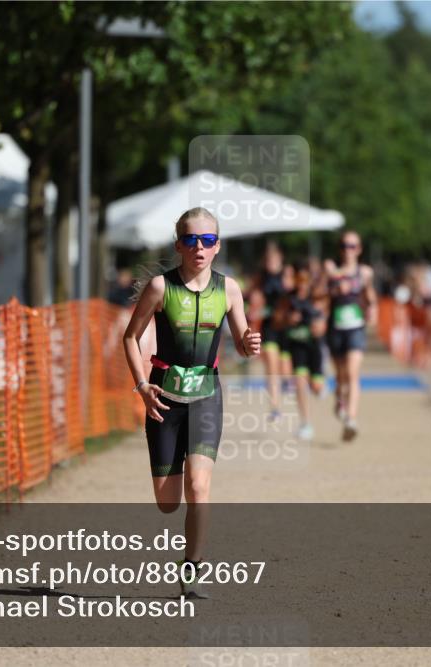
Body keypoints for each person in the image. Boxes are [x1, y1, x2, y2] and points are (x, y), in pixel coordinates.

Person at [122, 207, 261, 599]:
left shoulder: (229, 289)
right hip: (163, 399)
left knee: (199, 487)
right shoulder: (160, 288)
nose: (199, 247)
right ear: (178, 245)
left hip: (206, 397)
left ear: (217, 247)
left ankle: (192, 569)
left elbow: (242, 343)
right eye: (191, 240)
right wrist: (141, 385)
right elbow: (130, 337)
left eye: (207, 240)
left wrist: (249, 342)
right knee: (168, 503)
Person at [321, 230, 377, 441]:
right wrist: (334, 284)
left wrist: (373, 309)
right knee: (341, 376)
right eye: (345, 246)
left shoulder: (365, 272)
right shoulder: (331, 270)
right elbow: (320, 293)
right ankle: (339, 401)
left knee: (353, 373)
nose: (348, 250)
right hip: (335, 328)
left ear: (359, 249)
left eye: (352, 246)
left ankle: (351, 420)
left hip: (356, 327)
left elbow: (370, 295)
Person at [282, 261, 328, 440]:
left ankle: (322, 386)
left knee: (316, 388)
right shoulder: (288, 298)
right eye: (299, 279)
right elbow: (277, 319)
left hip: (314, 348)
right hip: (297, 347)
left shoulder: (316, 298)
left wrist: (318, 323)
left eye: (305, 279)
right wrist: (288, 318)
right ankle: (306, 423)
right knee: (300, 383)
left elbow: (322, 325)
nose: (302, 283)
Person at [247, 242, 289, 421]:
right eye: (268, 259)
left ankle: (286, 383)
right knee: (271, 367)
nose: (271, 262)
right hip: (269, 327)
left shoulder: (287, 274)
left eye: (274, 258)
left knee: (285, 371)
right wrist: (254, 307)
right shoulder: (261, 277)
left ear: (280, 258)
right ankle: (275, 408)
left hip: (287, 328)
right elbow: (251, 296)